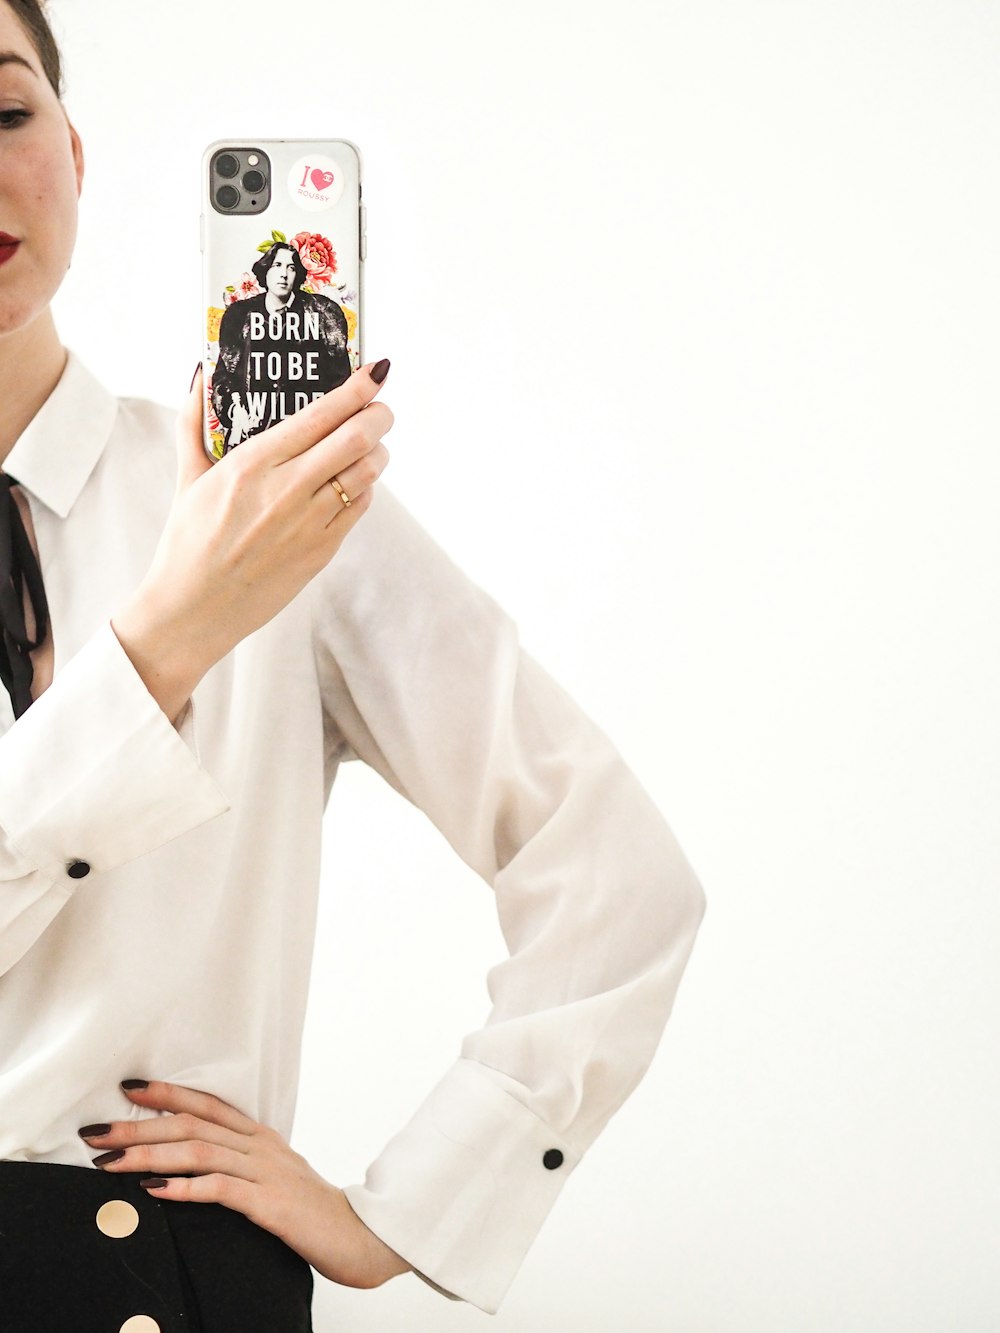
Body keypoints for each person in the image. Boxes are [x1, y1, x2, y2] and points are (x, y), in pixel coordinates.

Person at [0, 2, 706, 1329]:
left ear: (77, 150)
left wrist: (404, 1212)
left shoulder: (274, 503)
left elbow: (616, 868)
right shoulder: (221, 557)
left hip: (166, 1282)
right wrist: (166, 642)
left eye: (5, 112)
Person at [211, 241, 352, 454]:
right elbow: (225, 377)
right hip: (251, 439)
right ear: (265, 271)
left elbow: (340, 382)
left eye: (291, 267)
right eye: (277, 265)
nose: (284, 274)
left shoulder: (323, 313)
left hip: (309, 442)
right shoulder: (239, 315)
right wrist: (235, 410)